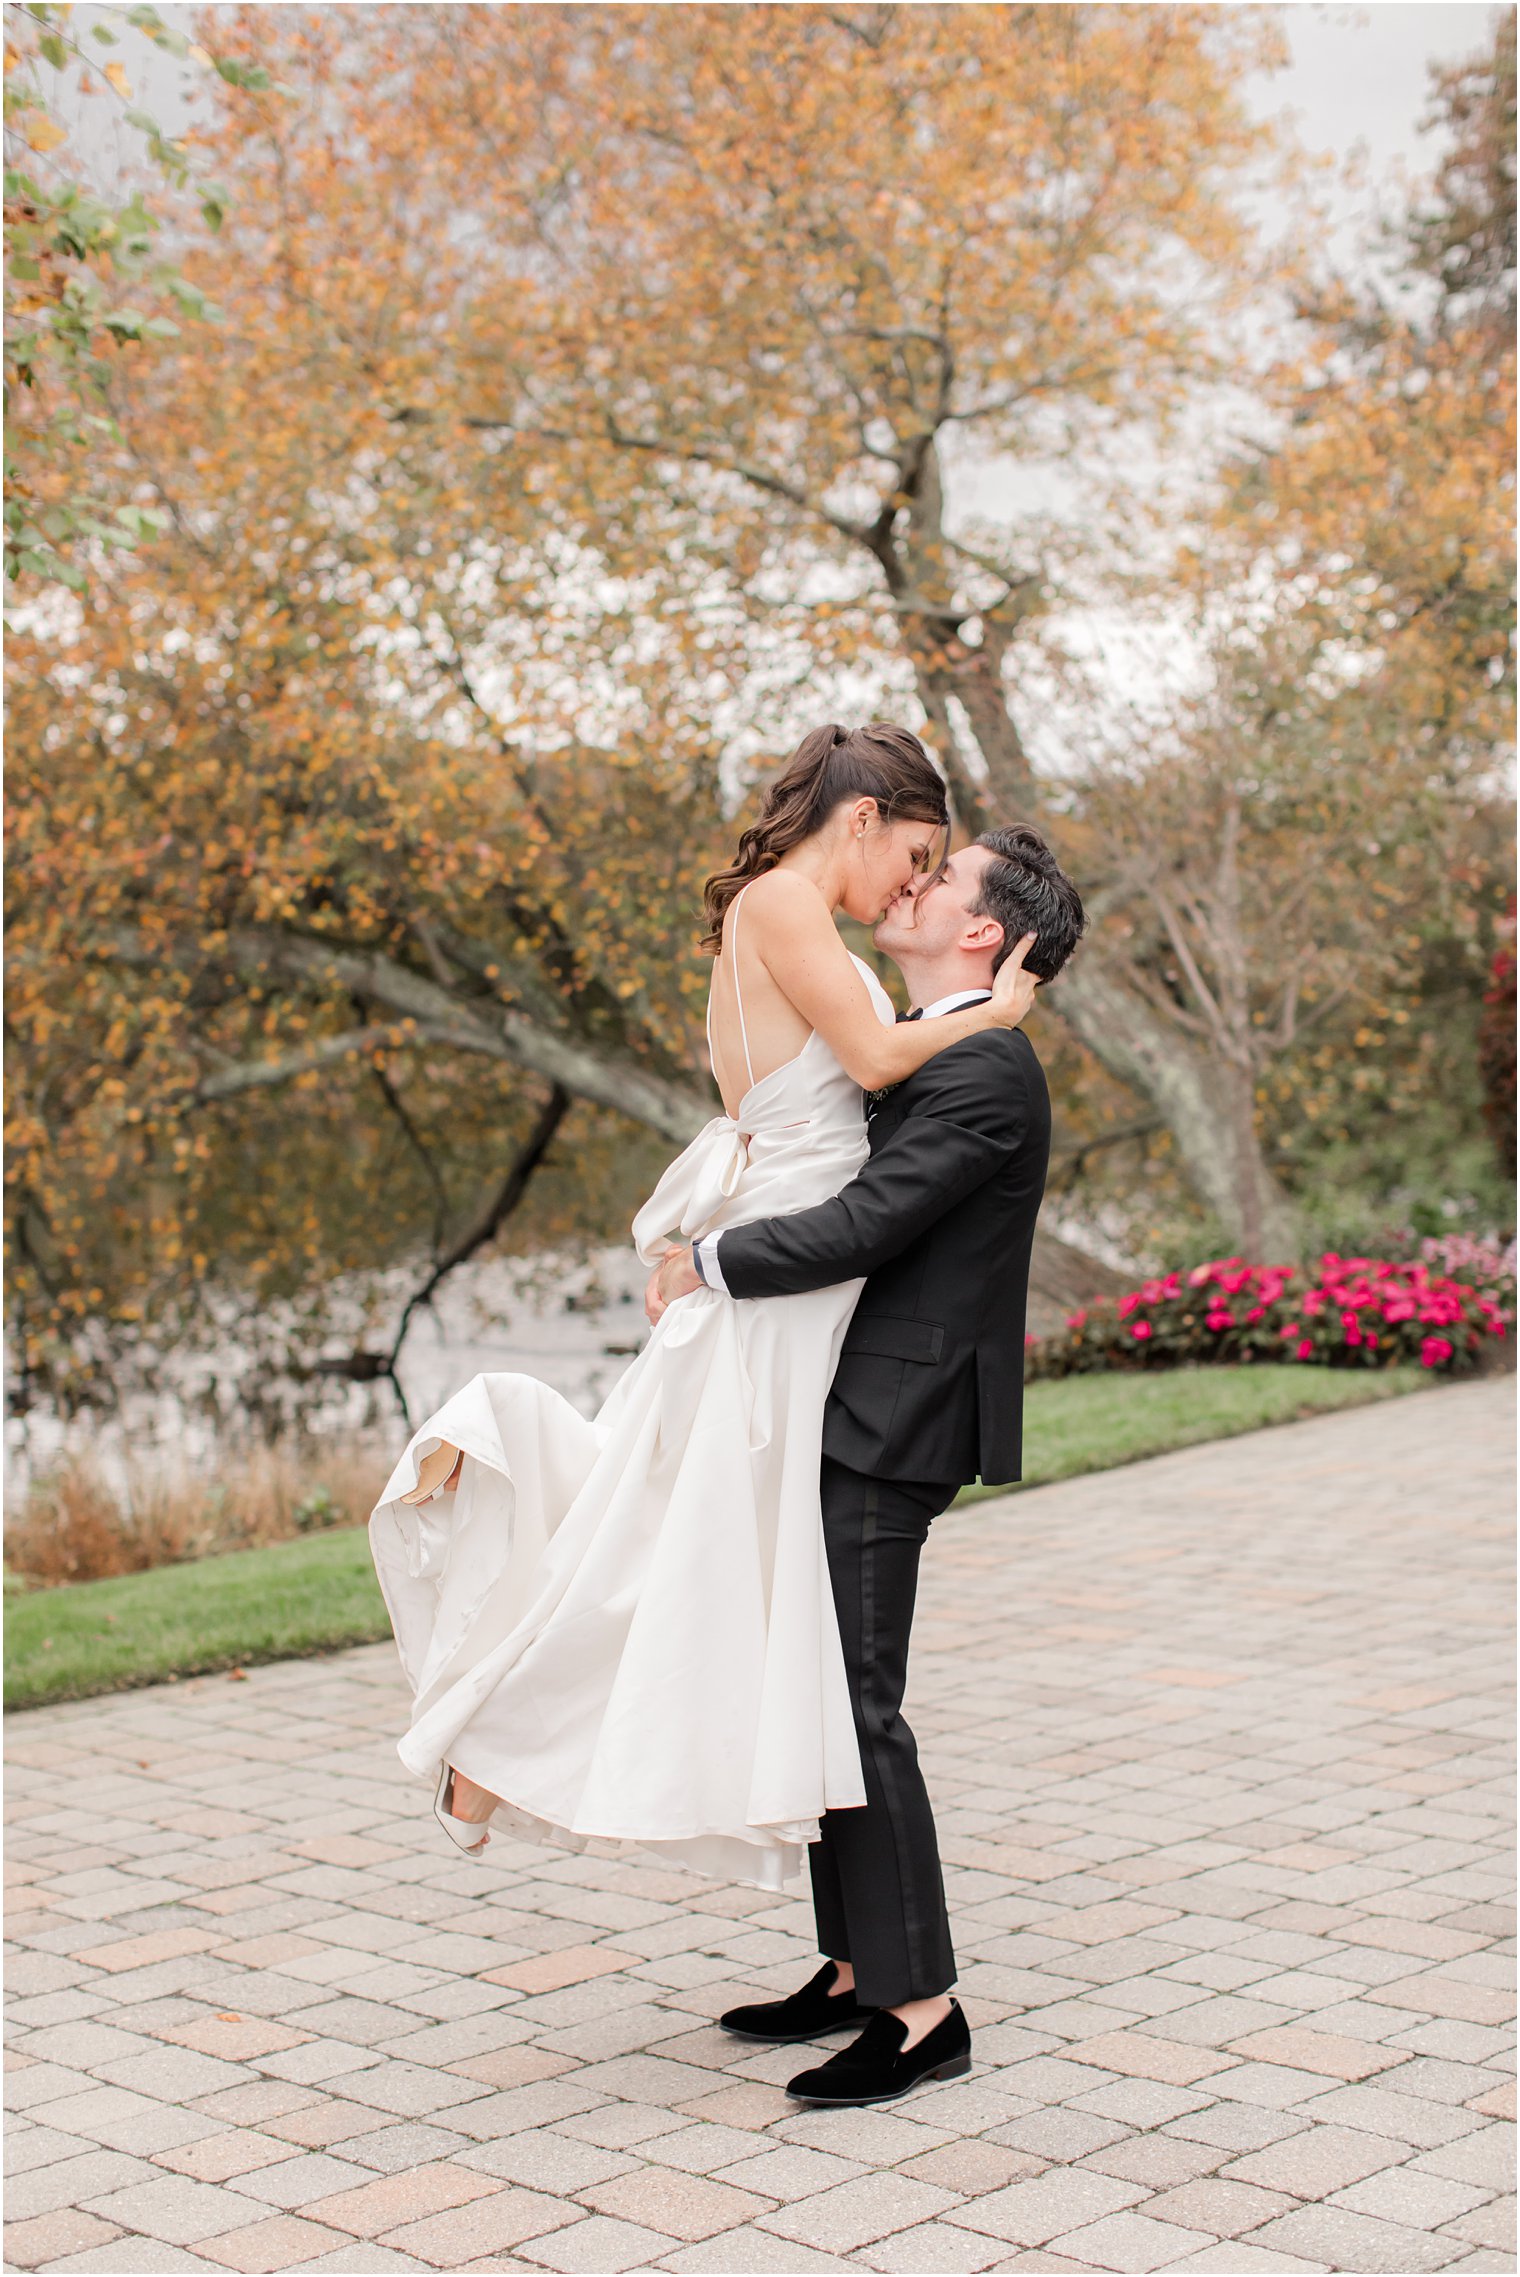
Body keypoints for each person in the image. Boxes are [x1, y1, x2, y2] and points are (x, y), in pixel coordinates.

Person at [368, 722, 1037, 1908]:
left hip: (785, 1253)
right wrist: (1000, 1011)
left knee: (699, 1547)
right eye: (915, 854)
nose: (912, 885)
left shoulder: (785, 917)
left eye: (936, 874)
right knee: (681, 1544)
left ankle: (537, 1759)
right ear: (867, 817)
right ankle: (493, 1745)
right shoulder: (784, 903)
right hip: (785, 1263)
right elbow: (878, 1063)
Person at [647, 822, 1086, 2106]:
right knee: (822, 1685)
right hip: (850, 1403)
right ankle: (852, 1968)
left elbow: (871, 1220)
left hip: (894, 1421)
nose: (911, 880)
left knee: (854, 1701)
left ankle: (921, 2010)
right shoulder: (928, 1047)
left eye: (937, 877)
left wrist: (710, 1264)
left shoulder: (986, 1070)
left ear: (981, 933)